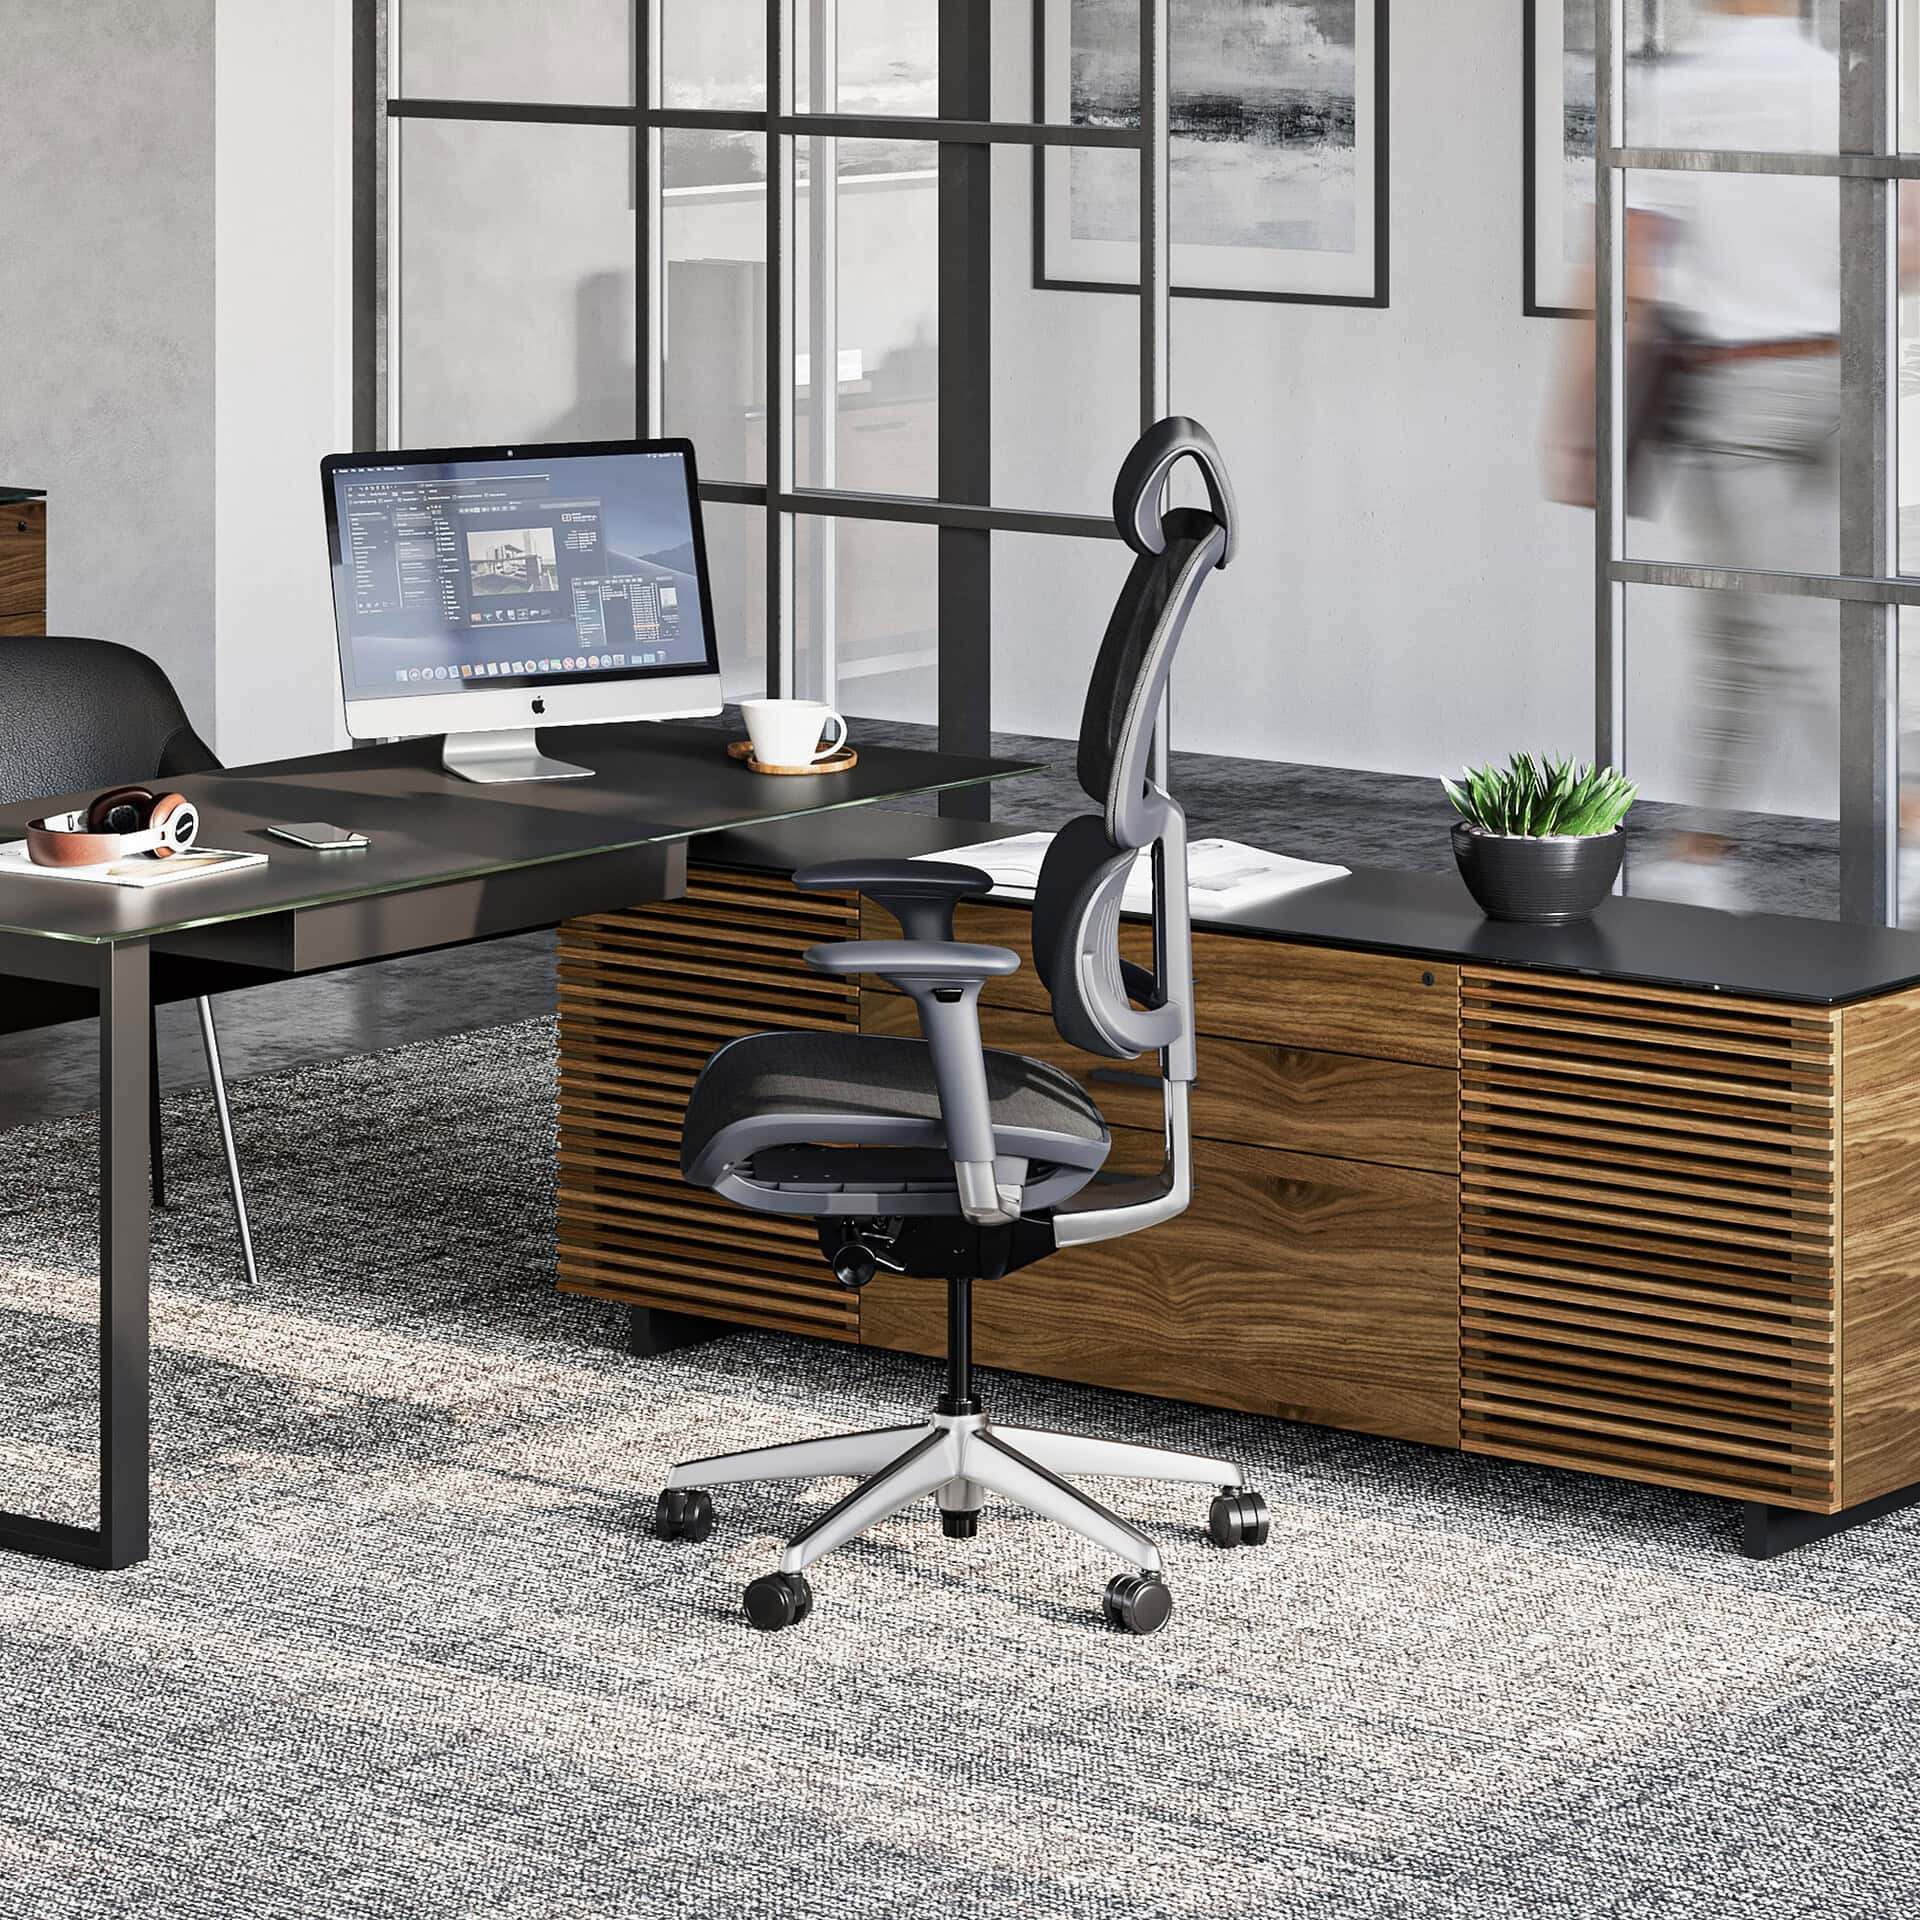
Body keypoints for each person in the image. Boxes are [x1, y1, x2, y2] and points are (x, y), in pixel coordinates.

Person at [1544, 0, 1843, 911]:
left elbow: (1624, 267)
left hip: (1737, 391)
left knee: (1792, 633)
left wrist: (1579, 415)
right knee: (1744, 632)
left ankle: (1910, 819)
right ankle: (1699, 857)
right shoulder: (1848, 87)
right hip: (1847, 380)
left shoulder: (1680, 92)